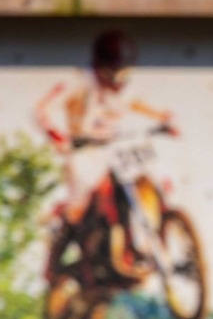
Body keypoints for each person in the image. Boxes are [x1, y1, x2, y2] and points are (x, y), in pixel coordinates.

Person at [34, 30, 175, 276]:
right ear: (99, 66)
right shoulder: (77, 82)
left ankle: (150, 238)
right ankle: (54, 261)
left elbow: (137, 104)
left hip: (113, 147)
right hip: (82, 150)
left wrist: (163, 118)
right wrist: (55, 134)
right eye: (113, 73)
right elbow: (42, 109)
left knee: (151, 178)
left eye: (124, 73)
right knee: (77, 208)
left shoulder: (126, 89)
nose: (118, 80)